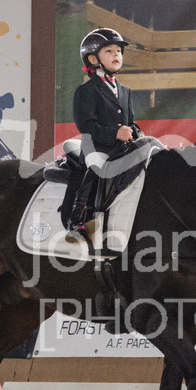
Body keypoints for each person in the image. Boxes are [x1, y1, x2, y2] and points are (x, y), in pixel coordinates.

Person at [66, 28, 141, 242]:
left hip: (121, 148)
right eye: (109, 51)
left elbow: (131, 121)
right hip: (96, 146)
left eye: (118, 51)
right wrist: (115, 133)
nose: (116, 55)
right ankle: (77, 219)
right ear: (93, 58)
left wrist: (136, 133)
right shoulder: (87, 91)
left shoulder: (125, 91)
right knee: (96, 169)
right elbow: (86, 124)